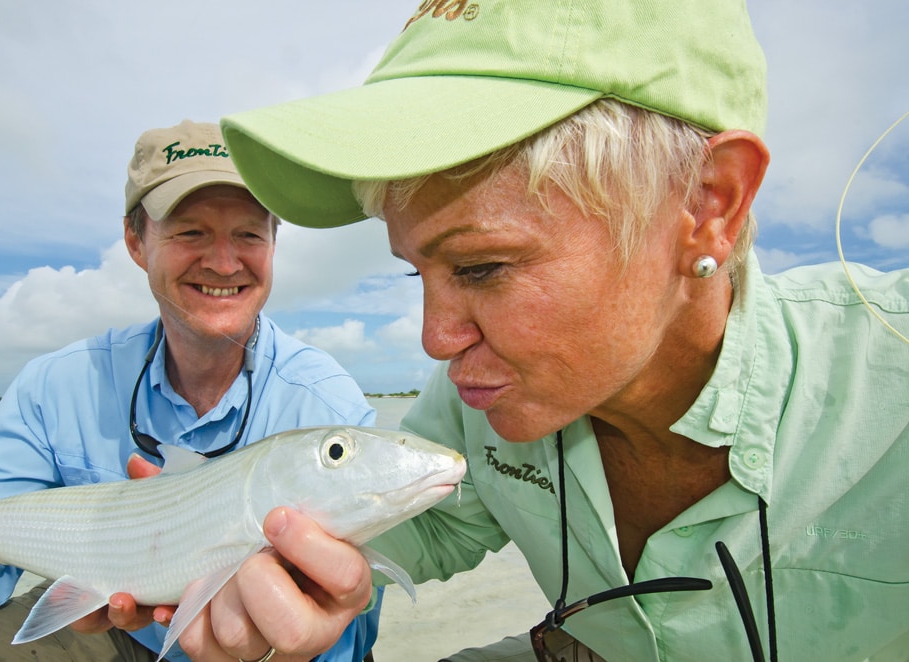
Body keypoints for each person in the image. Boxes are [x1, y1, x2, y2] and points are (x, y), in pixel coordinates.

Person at [208, 0, 908, 660]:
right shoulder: (472, 404)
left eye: (481, 267)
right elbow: (425, 526)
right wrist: (257, 562)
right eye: (416, 273)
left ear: (709, 204)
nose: (436, 339)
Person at [0, 119, 383, 662]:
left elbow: (351, 625)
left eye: (249, 233)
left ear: (274, 243)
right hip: (113, 632)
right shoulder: (55, 388)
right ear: (136, 241)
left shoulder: (324, 405)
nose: (224, 263)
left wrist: (291, 636)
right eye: (190, 231)